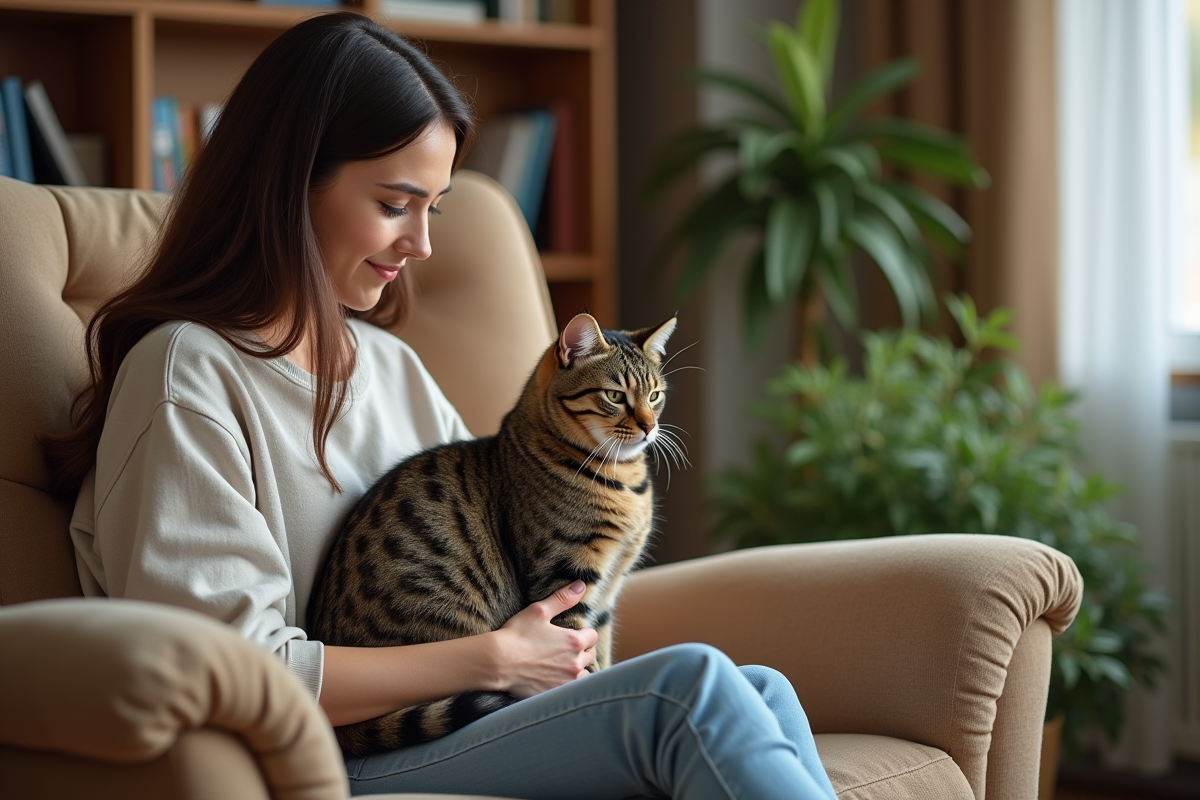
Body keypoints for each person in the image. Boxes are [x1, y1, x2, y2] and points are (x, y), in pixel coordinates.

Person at [47, 12, 837, 800]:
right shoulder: (188, 374)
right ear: (291, 183)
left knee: (759, 687)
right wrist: (495, 659)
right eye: (396, 204)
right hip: (328, 755)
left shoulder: (387, 366)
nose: (422, 244)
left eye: (435, 207)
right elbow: (234, 673)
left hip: (460, 711)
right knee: (689, 688)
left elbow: (510, 546)